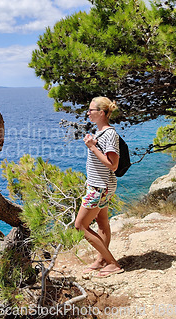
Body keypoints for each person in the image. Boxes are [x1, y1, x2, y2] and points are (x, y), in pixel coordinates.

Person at [74, 96, 124, 278]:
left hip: (100, 188)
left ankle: (112, 263)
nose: (88, 113)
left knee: (80, 226)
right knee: (102, 223)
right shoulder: (101, 132)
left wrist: (92, 147)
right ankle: (101, 260)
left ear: (101, 113)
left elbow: (113, 165)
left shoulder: (109, 134)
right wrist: (93, 144)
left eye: (91, 110)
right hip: (99, 186)